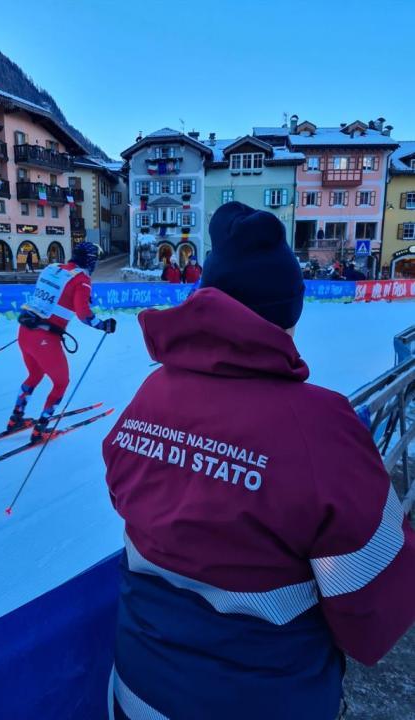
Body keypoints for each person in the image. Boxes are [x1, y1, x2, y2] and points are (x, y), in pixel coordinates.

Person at [103, 201, 415, 720]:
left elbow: (124, 489)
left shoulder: (150, 394)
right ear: (289, 314)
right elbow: (374, 607)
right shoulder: (321, 426)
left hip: (135, 690)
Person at [8, 241, 116, 442]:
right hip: (45, 339)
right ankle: (40, 430)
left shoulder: (53, 268)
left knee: (34, 375)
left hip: (25, 330)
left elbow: (52, 298)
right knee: (61, 383)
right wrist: (103, 325)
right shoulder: (82, 280)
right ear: (91, 261)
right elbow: (84, 314)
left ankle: (16, 418)